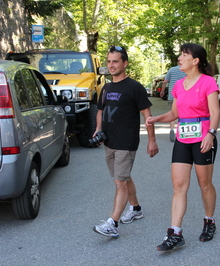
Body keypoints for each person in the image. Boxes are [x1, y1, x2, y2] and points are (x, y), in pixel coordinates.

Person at [146, 43, 220, 251]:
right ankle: (175, 232)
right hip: (183, 138)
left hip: (204, 138)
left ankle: (209, 221)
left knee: (204, 184)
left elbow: (215, 112)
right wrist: (156, 118)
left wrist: (210, 134)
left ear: (195, 61)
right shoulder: (179, 85)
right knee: (179, 186)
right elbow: (174, 114)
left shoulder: (208, 82)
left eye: (184, 54)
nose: (179, 57)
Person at [93, 46, 159, 238]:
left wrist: (152, 141)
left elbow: (148, 115)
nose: (111, 65)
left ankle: (112, 223)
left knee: (119, 181)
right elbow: (100, 111)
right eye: (109, 61)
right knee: (124, 177)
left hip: (126, 142)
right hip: (109, 142)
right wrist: (98, 130)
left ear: (124, 63)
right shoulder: (106, 87)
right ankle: (136, 208)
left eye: (115, 61)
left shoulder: (134, 87)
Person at [160, 65, 186, 142]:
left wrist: (162, 91)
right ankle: (181, 131)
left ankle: (172, 129)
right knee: (183, 114)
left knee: (173, 113)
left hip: (172, 96)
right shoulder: (185, 70)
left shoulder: (171, 69)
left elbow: (165, 82)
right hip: (183, 95)